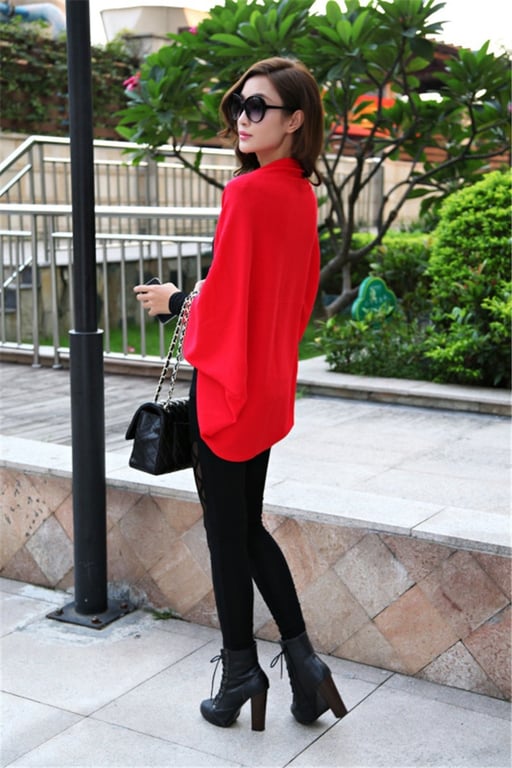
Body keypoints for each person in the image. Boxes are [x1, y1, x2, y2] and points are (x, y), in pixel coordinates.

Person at [134, 57, 347, 732]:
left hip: (226, 390)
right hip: (264, 388)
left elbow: (225, 305)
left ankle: (240, 675)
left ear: (296, 119)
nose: (243, 119)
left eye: (259, 107)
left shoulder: (249, 194)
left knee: (228, 536)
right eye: (239, 106)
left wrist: (175, 301)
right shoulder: (299, 194)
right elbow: (284, 302)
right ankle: (304, 670)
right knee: (242, 527)